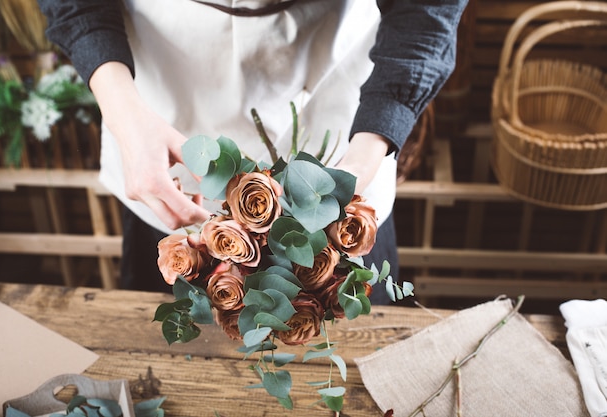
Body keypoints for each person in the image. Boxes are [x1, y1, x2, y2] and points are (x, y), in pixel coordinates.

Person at [37, 0, 468, 304]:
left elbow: (427, 10)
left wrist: (362, 159)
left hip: (342, 121)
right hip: (162, 125)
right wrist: (122, 109)